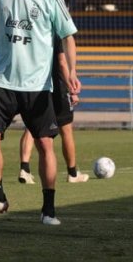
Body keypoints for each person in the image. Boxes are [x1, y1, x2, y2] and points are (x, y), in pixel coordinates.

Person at [0, 0, 79, 226]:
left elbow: (68, 36)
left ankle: (48, 209)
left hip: (37, 85)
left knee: (45, 144)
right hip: (1, 80)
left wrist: (71, 72)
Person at [18, 37, 88, 184]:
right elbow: (62, 63)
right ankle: (73, 173)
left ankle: (24, 168)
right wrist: (71, 88)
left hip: (36, 85)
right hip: (58, 87)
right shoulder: (56, 33)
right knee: (66, 130)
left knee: (31, 127)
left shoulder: (36, 33)